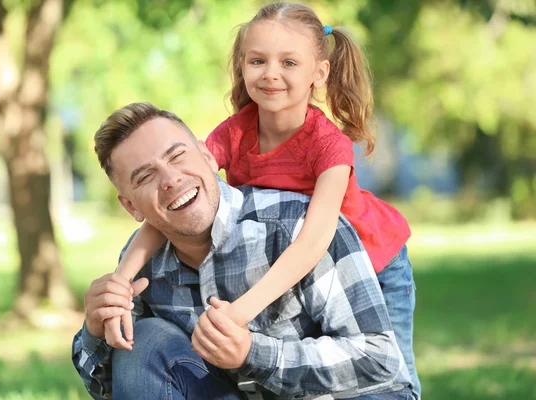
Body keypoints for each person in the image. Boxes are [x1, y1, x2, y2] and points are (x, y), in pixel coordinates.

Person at [104, 2, 420, 398]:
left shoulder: (328, 147)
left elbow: (312, 242)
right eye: (257, 60)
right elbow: (177, 200)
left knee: (388, 381)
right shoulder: (236, 132)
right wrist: (121, 280)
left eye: (289, 62)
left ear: (318, 74)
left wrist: (240, 313)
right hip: (303, 270)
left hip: (371, 261)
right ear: (242, 65)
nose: (271, 74)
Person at [72, 101, 414, 399]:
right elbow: (120, 387)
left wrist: (254, 353)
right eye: (146, 177)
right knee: (144, 339)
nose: (171, 179)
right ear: (131, 207)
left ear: (207, 155)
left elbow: (380, 360)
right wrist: (94, 329)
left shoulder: (297, 225)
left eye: (177, 156)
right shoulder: (141, 267)